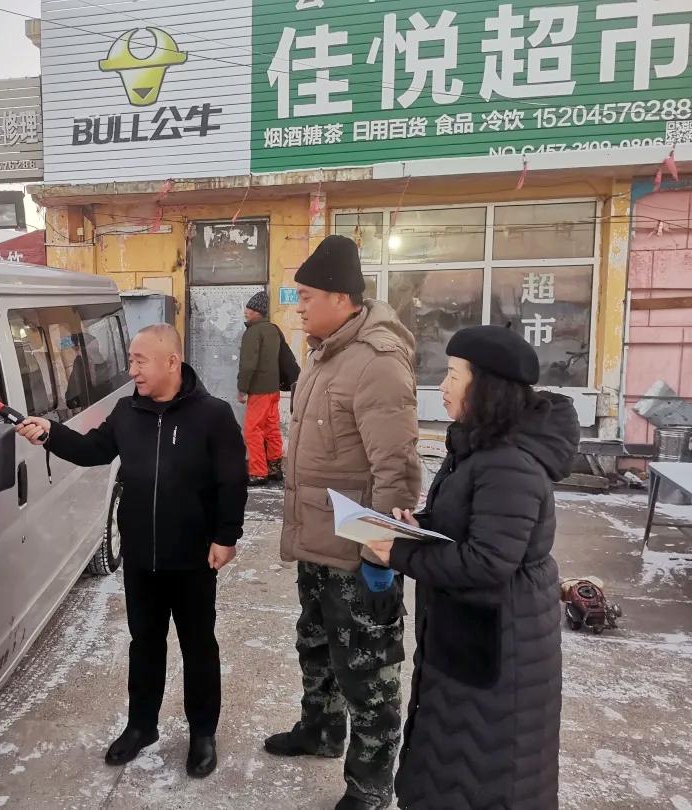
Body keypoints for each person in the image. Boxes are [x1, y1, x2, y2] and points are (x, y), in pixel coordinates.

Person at [16, 323, 247, 779]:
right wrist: (50, 432)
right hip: (141, 557)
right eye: (131, 360)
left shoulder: (213, 415)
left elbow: (232, 479)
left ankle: (202, 733)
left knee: (199, 646)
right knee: (145, 645)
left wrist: (226, 536)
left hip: (193, 558)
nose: (132, 370)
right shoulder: (127, 412)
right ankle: (142, 726)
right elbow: (92, 450)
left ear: (171, 362)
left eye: (141, 360)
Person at [364, 325, 577, 810]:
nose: (442, 386)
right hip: (469, 635)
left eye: (453, 375)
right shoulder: (478, 446)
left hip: (498, 645)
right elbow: (468, 524)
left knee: (485, 775)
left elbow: (488, 561)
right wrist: (417, 526)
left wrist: (399, 553)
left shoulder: (510, 462)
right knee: (448, 764)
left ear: (487, 386)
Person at [265, 234, 420, 810]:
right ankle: (321, 730)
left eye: (306, 296)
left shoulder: (376, 361)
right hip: (317, 541)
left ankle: (371, 785)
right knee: (315, 646)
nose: (298, 307)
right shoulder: (323, 352)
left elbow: (396, 468)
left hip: (357, 551)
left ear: (340, 297)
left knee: (367, 671)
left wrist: (383, 552)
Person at [237, 290, 284, 486]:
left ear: (258, 312)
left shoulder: (253, 332)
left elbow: (248, 365)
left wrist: (242, 388)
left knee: (252, 430)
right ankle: (274, 468)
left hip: (259, 389)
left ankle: (258, 472)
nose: (246, 311)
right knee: (271, 428)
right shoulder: (273, 330)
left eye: (249, 309)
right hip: (273, 389)